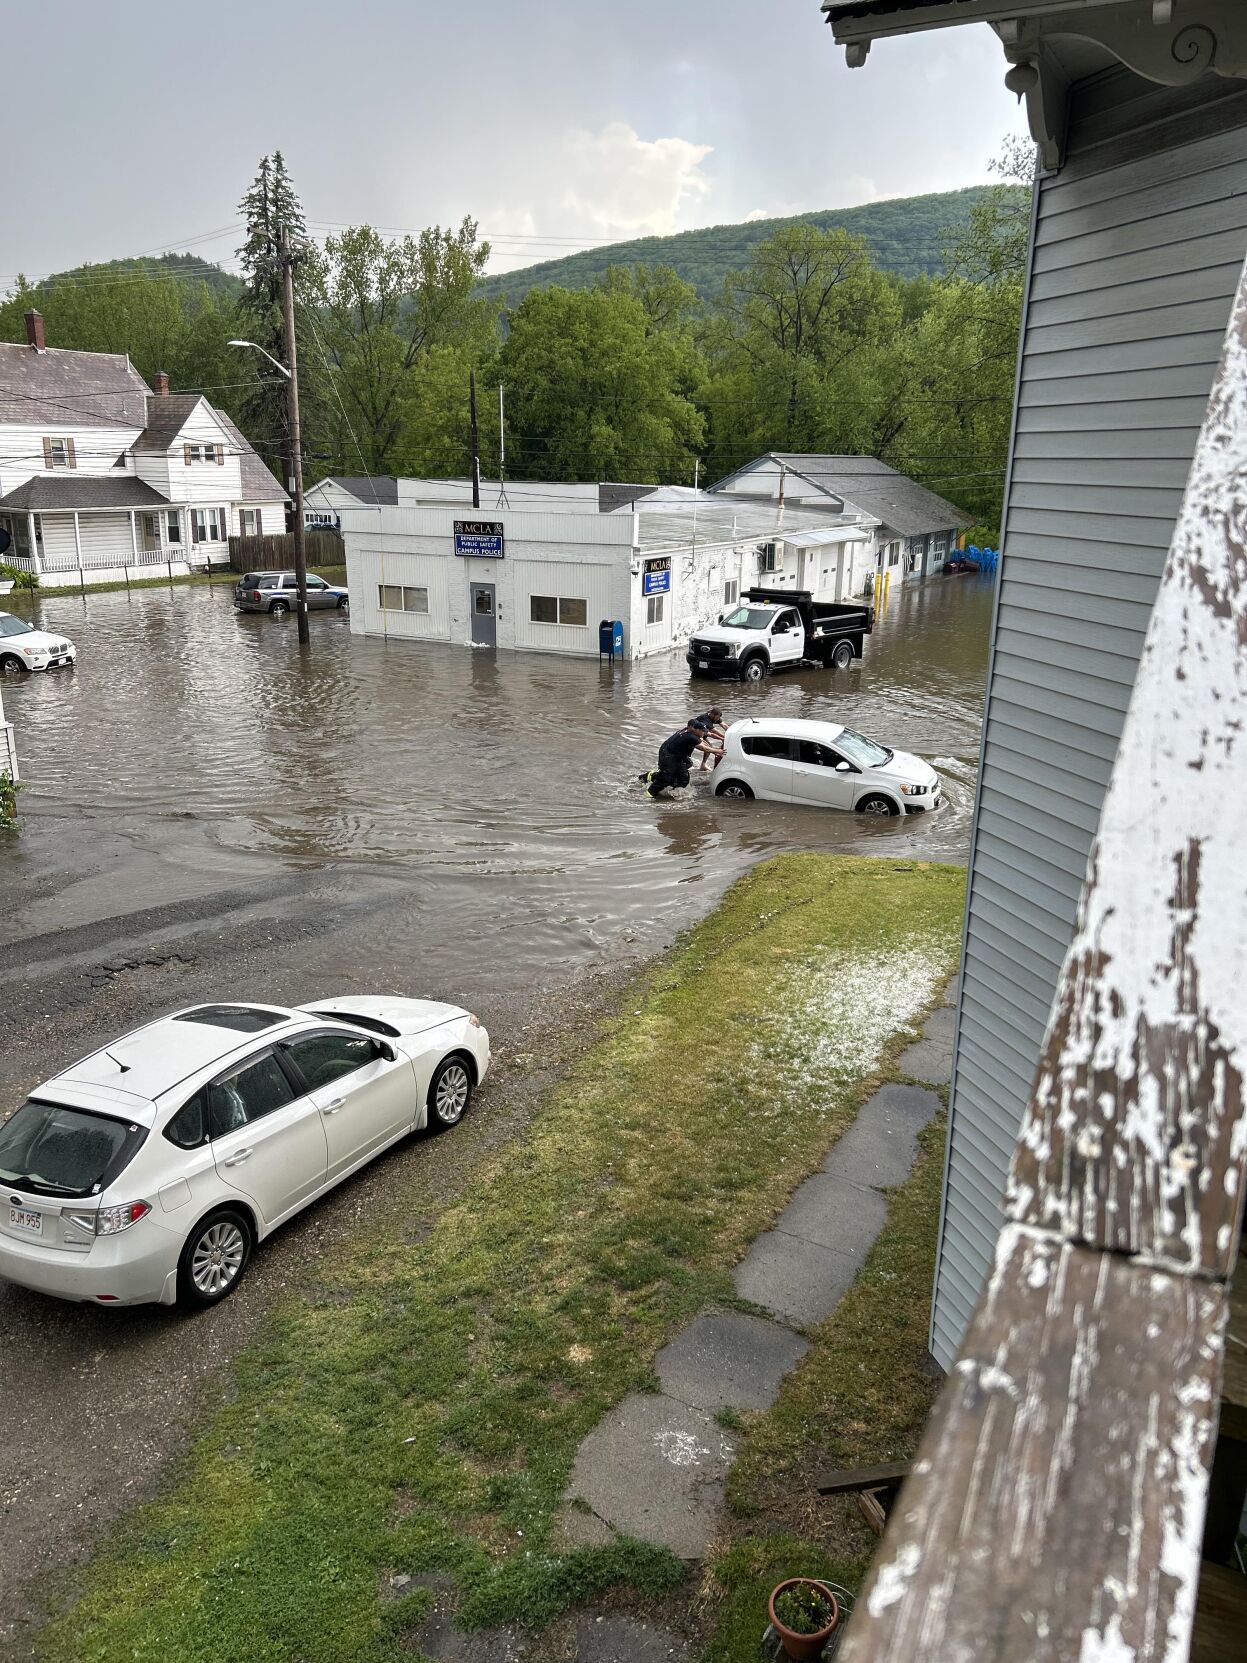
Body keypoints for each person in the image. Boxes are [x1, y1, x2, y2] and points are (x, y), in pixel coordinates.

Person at [640, 720, 720, 798]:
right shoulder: (690, 737)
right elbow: (704, 748)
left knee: (683, 778)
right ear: (696, 729)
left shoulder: (690, 732)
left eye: (705, 731)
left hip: (676, 756)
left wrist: (715, 750)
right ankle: (647, 795)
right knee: (665, 778)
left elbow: (702, 743)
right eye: (703, 731)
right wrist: (718, 751)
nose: (704, 733)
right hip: (668, 756)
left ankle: (671, 792)